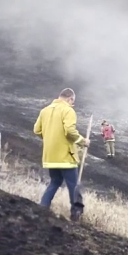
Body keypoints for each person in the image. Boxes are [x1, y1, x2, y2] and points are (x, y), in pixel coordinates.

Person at [33, 88, 88, 221]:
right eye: (72, 102)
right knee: (73, 185)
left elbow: (36, 130)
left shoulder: (45, 110)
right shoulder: (68, 110)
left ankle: (42, 208)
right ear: (70, 99)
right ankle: (76, 215)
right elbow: (69, 131)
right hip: (65, 156)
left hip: (50, 156)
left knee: (55, 182)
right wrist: (82, 141)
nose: (72, 104)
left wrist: (51, 138)